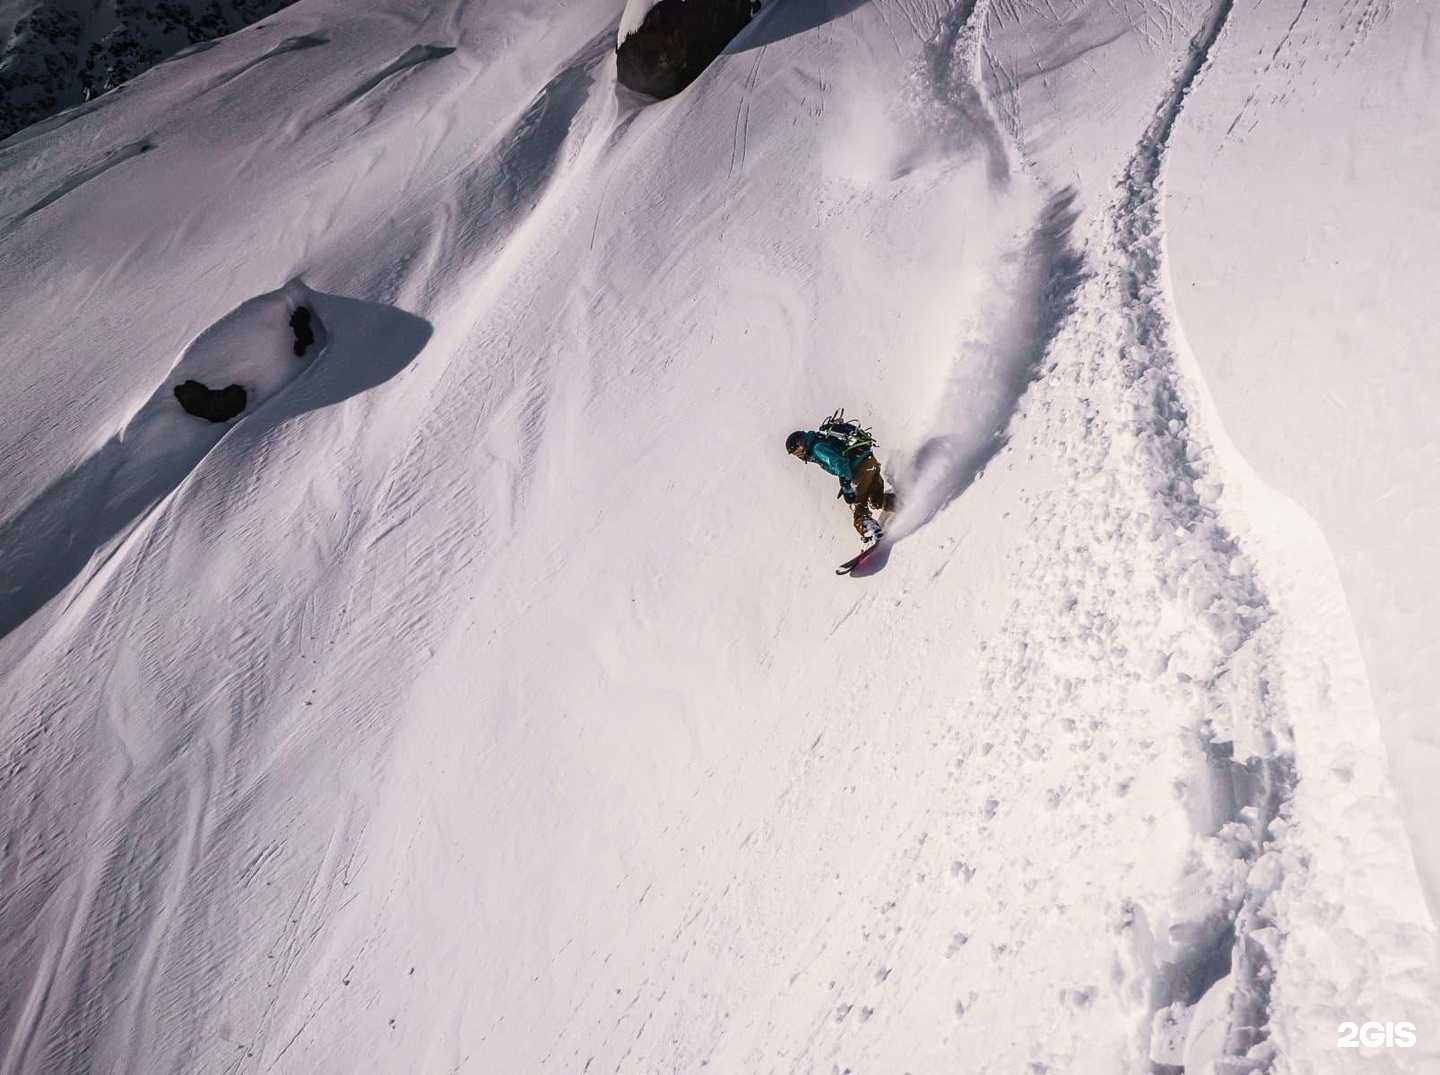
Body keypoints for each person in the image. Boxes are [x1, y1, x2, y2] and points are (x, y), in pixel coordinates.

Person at [786, 411, 896, 547]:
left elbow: (840, 462)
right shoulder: (820, 442)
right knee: (876, 501)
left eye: (798, 450)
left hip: (860, 470)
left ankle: (872, 533)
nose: (799, 455)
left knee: (858, 508)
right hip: (869, 462)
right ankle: (902, 503)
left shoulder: (817, 448)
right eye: (796, 454)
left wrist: (846, 485)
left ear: (803, 442)